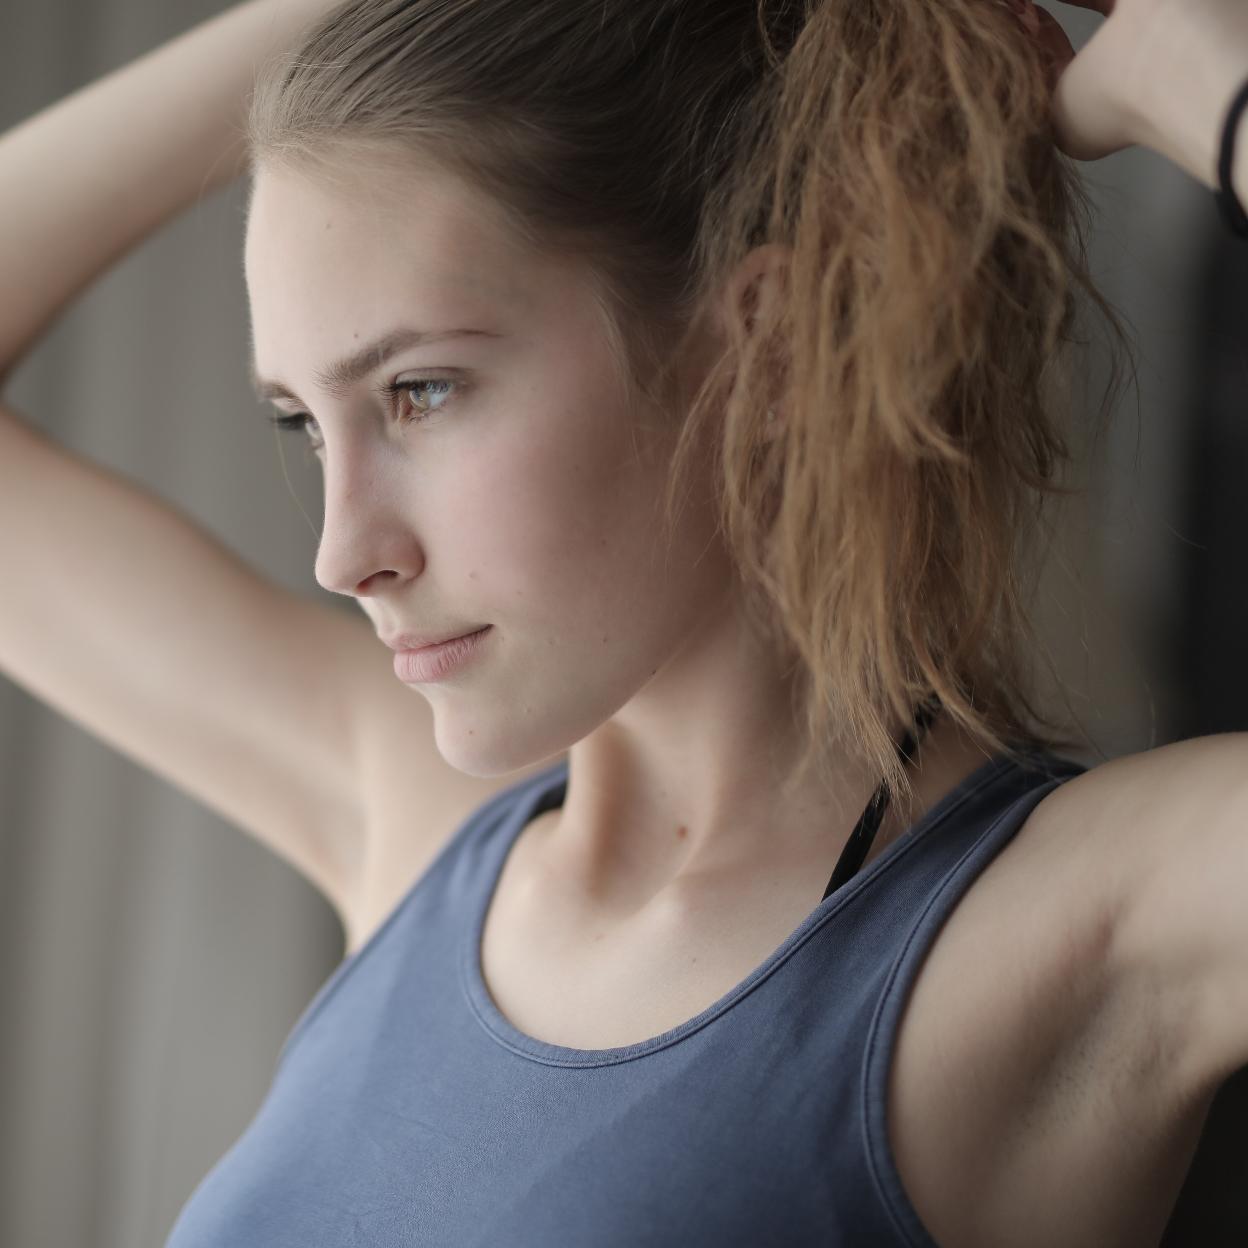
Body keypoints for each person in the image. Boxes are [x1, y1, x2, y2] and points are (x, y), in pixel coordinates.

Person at [1, 0, 1245, 1243]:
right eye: (304, 425)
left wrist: (1202, 76)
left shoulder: (1085, 921)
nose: (344, 554)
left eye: (420, 392)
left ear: (767, 345)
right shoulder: (417, 834)